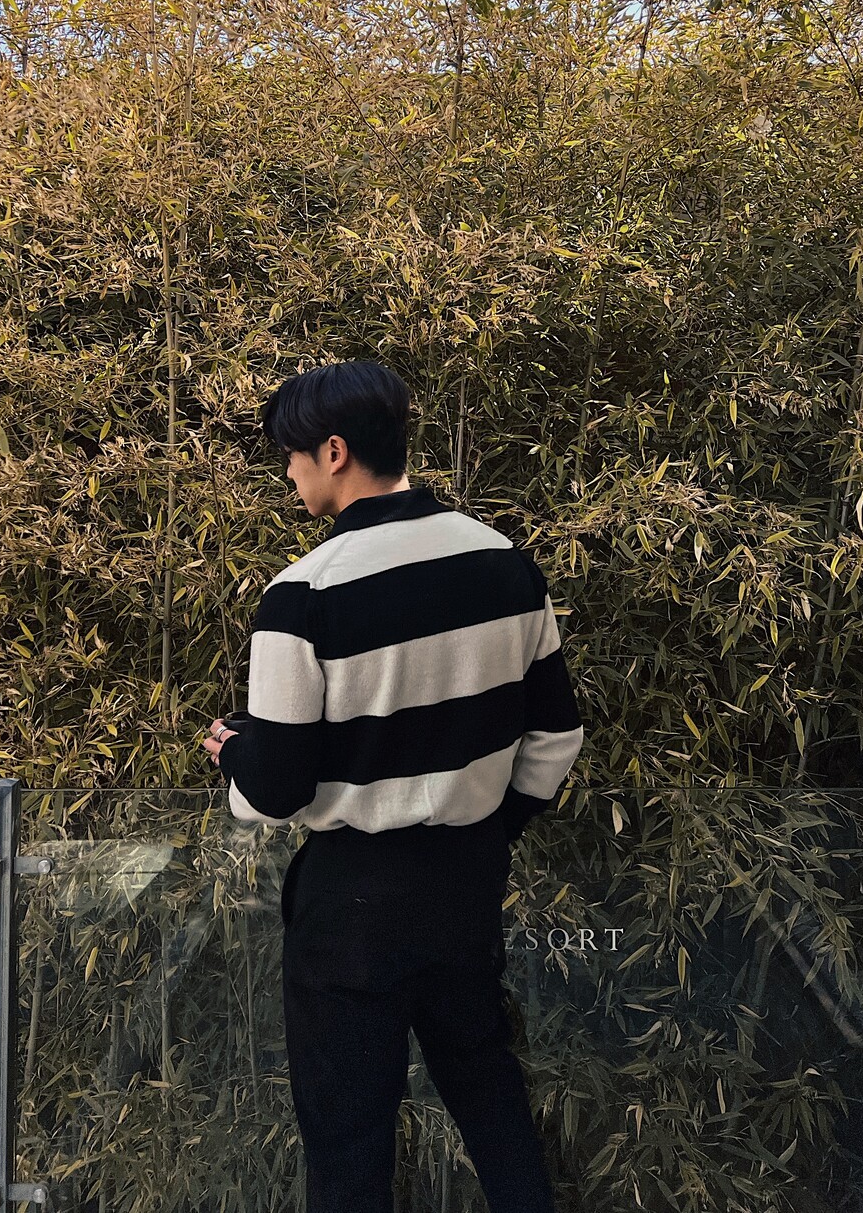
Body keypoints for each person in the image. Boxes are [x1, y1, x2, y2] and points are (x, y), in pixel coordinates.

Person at [200, 359, 584, 1213]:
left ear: (334, 451)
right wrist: (486, 828)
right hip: (465, 884)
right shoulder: (505, 565)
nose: (288, 472)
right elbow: (557, 738)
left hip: (352, 904)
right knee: (490, 1095)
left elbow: (275, 790)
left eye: (292, 454)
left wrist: (233, 751)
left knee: (348, 1144)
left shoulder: (302, 595)